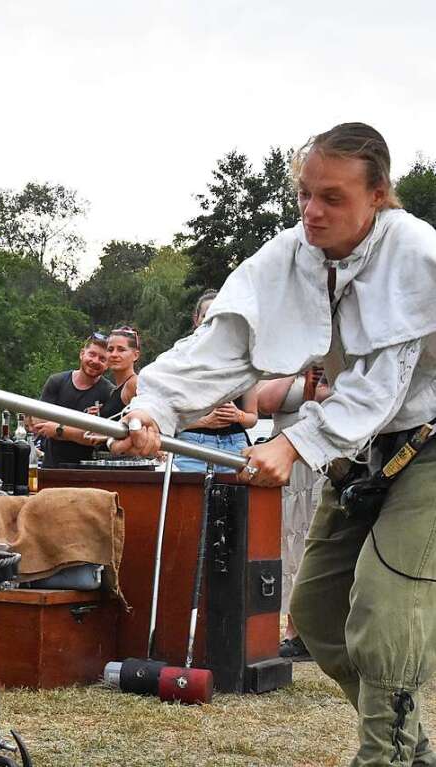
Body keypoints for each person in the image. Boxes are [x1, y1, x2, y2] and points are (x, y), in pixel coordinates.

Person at [111, 122, 436, 765]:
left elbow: (383, 386)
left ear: (379, 196)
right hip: (364, 454)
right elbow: (222, 345)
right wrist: (153, 407)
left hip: (428, 446)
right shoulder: (290, 253)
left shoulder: (416, 253)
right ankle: (409, 743)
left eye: (333, 197)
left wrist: (292, 444)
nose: (312, 212)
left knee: (385, 616)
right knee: (317, 616)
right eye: (305, 194)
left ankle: (388, 756)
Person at [258, 366, 330, 662]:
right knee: (289, 544)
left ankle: (317, 632)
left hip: (320, 459)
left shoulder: (335, 364)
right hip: (288, 468)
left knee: (315, 541)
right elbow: (265, 402)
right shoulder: (285, 362)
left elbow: (325, 404)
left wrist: (314, 387)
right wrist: (297, 369)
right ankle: (293, 631)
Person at [174, 290, 259, 472]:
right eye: (207, 316)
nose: (214, 322)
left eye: (220, 316)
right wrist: (204, 421)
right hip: (191, 446)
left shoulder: (243, 360)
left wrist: (239, 416)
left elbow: (252, 418)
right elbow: (167, 417)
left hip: (234, 445)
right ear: (196, 319)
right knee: (190, 500)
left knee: (234, 500)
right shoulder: (179, 358)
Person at [30, 334, 114, 468]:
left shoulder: (109, 392)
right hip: (52, 467)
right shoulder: (56, 382)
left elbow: (96, 439)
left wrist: (59, 429)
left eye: (102, 359)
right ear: (82, 354)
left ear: (108, 364)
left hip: (90, 471)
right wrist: (82, 429)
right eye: (92, 354)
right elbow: (40, 425)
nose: (96, 361)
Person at [100, 327, 141, 419]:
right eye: (110, 349)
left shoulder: (134, 384)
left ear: (135, 355)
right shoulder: (115, 390)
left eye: (121, 350)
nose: (114, 354)